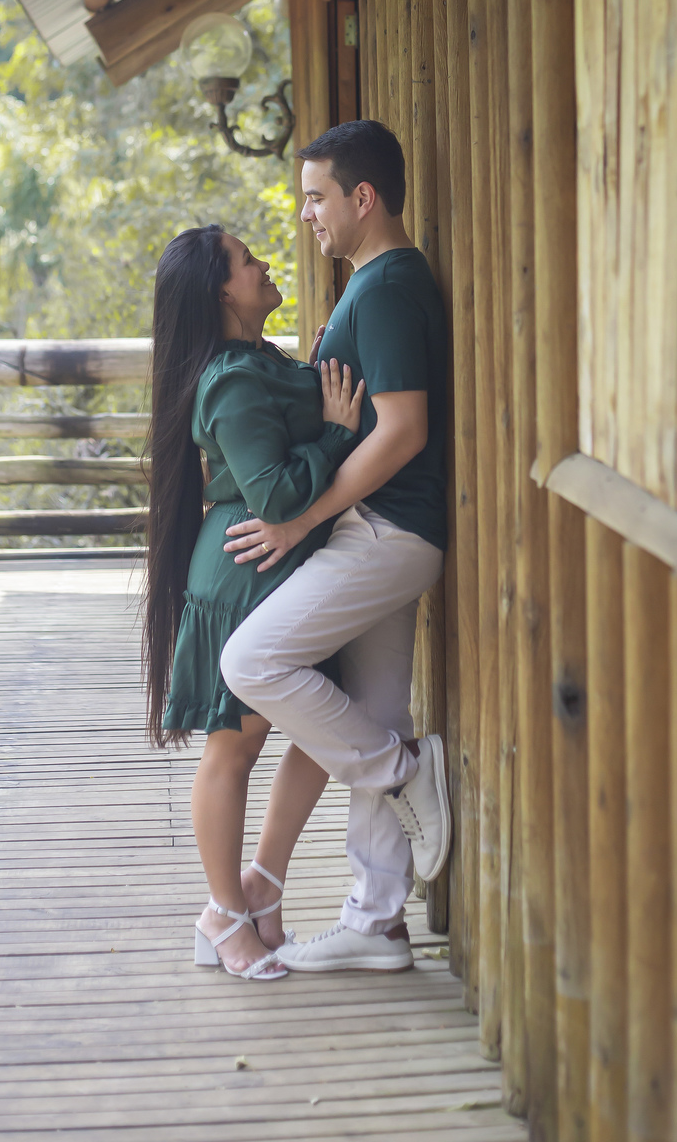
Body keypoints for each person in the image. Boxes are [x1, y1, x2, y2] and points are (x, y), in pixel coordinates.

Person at [220, 119, 451, 973]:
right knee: (377, 708)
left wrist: (298, 520)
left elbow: (402, 430)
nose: (306, 214)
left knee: (252, 661)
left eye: (317, 198)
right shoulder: (374, 284)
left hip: (388, 530)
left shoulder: (386, 286)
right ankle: (377, 919)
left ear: (363, 196)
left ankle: (403, 773)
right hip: (384, 527)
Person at [142, 224, 365, 981]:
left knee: (325, 721)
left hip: (286, 572)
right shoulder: (231, 380)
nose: (264, 261)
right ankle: (223, 914)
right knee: (233, 749)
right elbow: (271, 494)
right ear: (221, 291)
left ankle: (261, 886)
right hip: (246, 578)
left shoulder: (258, 359)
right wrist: (335, 436)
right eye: (247, 260)